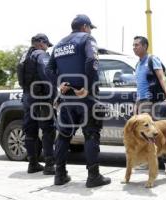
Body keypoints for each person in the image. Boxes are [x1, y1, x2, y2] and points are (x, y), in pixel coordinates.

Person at [45, 14, 111, 187]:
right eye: (89, 27)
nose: (90, 30)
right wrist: (87, 87)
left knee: (64, 136)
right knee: (91, 134)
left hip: (67, 98)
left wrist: (60, 84)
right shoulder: (87, 39)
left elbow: (48, 69)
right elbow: (91, 60)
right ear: (84, 27)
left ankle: (59, 174)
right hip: (86, 98)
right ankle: (93, 176)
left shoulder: (59, 44)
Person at [132, 36, 166, 174]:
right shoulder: (138, 64)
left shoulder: (152, 59)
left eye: (137, 45)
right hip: (142, 102)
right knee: (145, 134)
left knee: (157, 132)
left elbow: (161, 77)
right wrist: (136, 105)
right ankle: (146, 161)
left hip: (153, 101)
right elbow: (139, 86)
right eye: (133, 45)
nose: (134, 47)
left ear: (145, 46)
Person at [17, 33, 56, 175]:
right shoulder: (40, 54)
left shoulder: (25, 55)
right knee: (48, 129)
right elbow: (46, 74)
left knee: (30, 130)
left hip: (27, 96)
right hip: (40, 97)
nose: (47, 49)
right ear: (41, 43)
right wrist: (53, 95)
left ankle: (32, 164)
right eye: (46, 45)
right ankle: (50, 165)